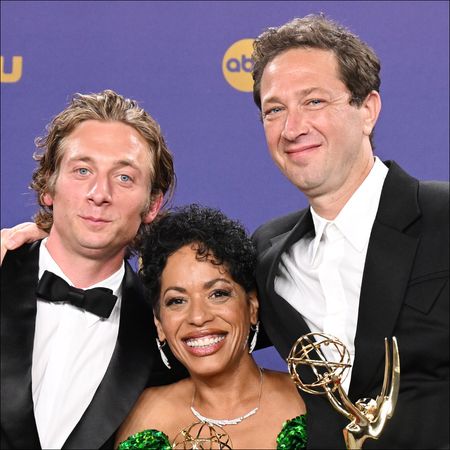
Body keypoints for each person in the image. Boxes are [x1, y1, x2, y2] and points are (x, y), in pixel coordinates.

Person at [250, 14, 449, 449]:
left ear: (368, 110)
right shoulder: (267, 254)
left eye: (314, 102)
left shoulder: (443, 215)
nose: (292, 128)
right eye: (275, 110)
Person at [0, 89, 186, 449]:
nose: (99, 193)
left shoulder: (167, 331)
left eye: (124, 178)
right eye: (82, 170)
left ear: (152, 204)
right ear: (48, 186)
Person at [114, 204, 307, 449]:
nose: (198, 317)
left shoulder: (310, 401)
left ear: (252, 306)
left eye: (218, 294)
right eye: (177, 301)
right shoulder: (145, 418)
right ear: (159, 324)